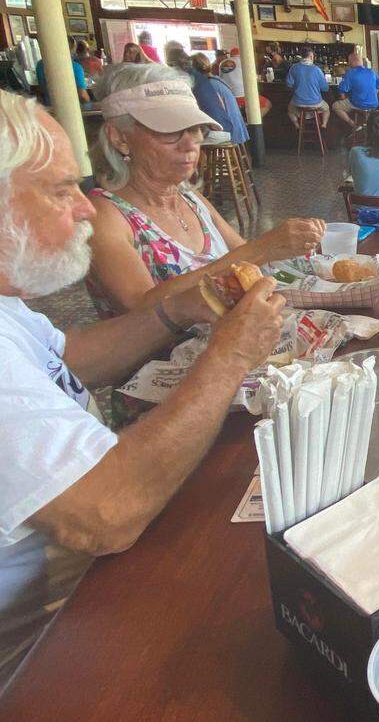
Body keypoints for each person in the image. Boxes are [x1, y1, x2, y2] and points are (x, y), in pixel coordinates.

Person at [0, 88, 286, 688]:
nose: (84, 208)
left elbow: (72, 360)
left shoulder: (10, 312)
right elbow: (107, 515)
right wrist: (231, 353)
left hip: (83, 590)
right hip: (42, 649)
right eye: (60, 190)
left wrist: (174, 310)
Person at [86, 63, 325, 317]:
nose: (190, 144)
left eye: (194, 129)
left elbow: (247, 263)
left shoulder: (190, 198)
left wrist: (288, 249)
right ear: (120, 138)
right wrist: (263, 247)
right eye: (170, 132)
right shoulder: (103, 216)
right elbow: (140, 311)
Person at [187, 53, 250, 146]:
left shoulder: (206, 85)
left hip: (230, 132)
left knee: (190, 139)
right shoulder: (215, 80)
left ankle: (201, 161)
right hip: (238, 129)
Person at [217, 48, 271, 119]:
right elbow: (254, 78)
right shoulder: (246, 61)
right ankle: (252, 121)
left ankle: (244, 121)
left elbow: (221, 79)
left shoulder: (222, 64)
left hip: (229, 97)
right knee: (268, 104)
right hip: (245, 96)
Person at [332, 52, 379, 129]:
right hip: (374, 104)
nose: (349, 63)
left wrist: (343, 99)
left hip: (358, 104)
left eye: (349, 61)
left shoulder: (351, 73)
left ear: (353, 61)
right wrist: (372, 93)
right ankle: (367, 126)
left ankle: (354, 125)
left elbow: (342, 90)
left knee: (335, 106)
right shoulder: (372, 71)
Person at [286, 49, 329, 129]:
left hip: (298, 103)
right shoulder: (317, 69)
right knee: (326, 109)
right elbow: (325, 88)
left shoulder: (294, 67)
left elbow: (289, 84)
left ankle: (297, 125)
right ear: (311, 57)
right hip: (316, 104)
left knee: (290, 110)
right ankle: (323, 124)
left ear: (301, 56)